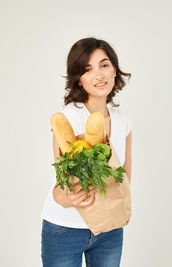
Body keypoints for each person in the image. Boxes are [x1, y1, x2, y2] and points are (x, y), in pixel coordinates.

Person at [41, 37, 132, 267]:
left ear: (114, 71)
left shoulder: (123, 121)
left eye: (104, 65)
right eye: (87, 69)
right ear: (79, 80)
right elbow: (61, 191)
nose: (99, 75)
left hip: (109, 228)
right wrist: (71, 196)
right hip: (65, 229)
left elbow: (125, 177)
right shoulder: (68, 119)